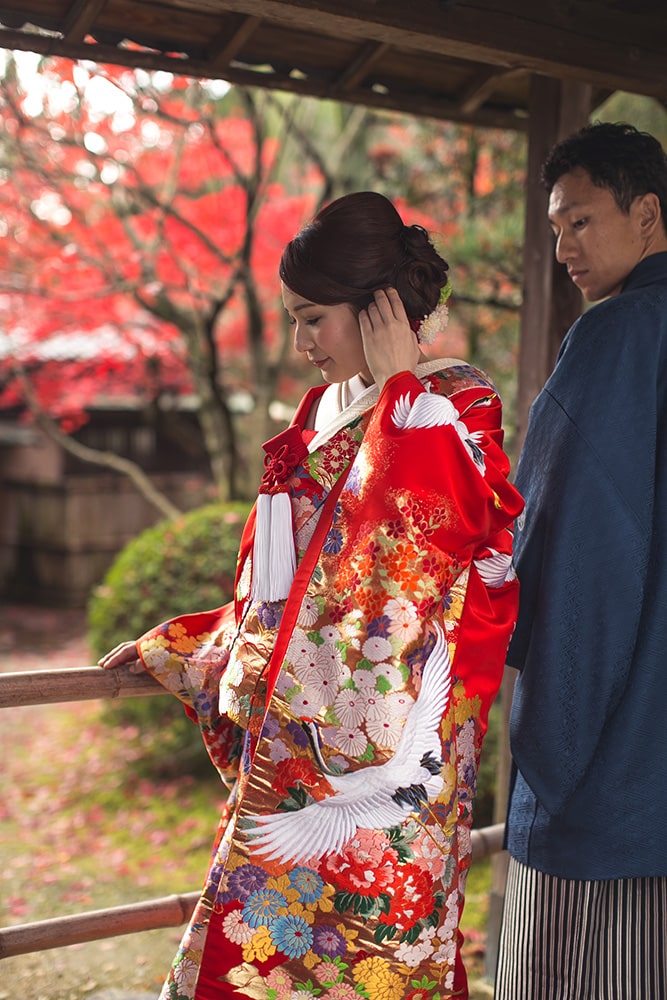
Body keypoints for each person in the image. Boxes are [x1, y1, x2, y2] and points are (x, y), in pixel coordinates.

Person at [100, 191, 523, 1000]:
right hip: (299, 737)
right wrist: (196, 644)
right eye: (290, 319)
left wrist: (402, 392)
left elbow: (425, 562)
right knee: (259, 940)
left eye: (313, 319)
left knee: (383, 947)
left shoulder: (456, 398)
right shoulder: (323, 406)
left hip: (396, 741)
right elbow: (287, 581)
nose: (299, 344)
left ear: (379, 309)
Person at [495, 122, 667, 999]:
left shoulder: (613, 339)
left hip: (618, 758)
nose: (561, 247)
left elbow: (561, 555)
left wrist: (548, 754)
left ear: (646, 214)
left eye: (579, 221)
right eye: (553, 227)